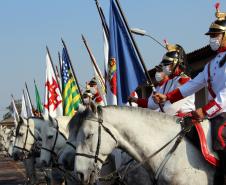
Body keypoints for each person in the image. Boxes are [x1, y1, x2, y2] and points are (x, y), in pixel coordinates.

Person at [153, 4, 226, 184]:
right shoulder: (212, 63)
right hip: (217, 113)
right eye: (212, 36)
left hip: (221, 113)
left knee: (219, 135)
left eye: (216, 35)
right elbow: (193, 84)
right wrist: (168, 97)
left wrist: (205, 111)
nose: (213, 39)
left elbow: (225, 95)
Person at [129, 42, 195, 116]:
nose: (164, 67)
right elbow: (152, 105)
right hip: (171, 118)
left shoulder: (184, 80)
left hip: (185, 120)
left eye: (167, 63)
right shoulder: (169, 82)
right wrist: (134, 99)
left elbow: (171, 108)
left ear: (176, 63)